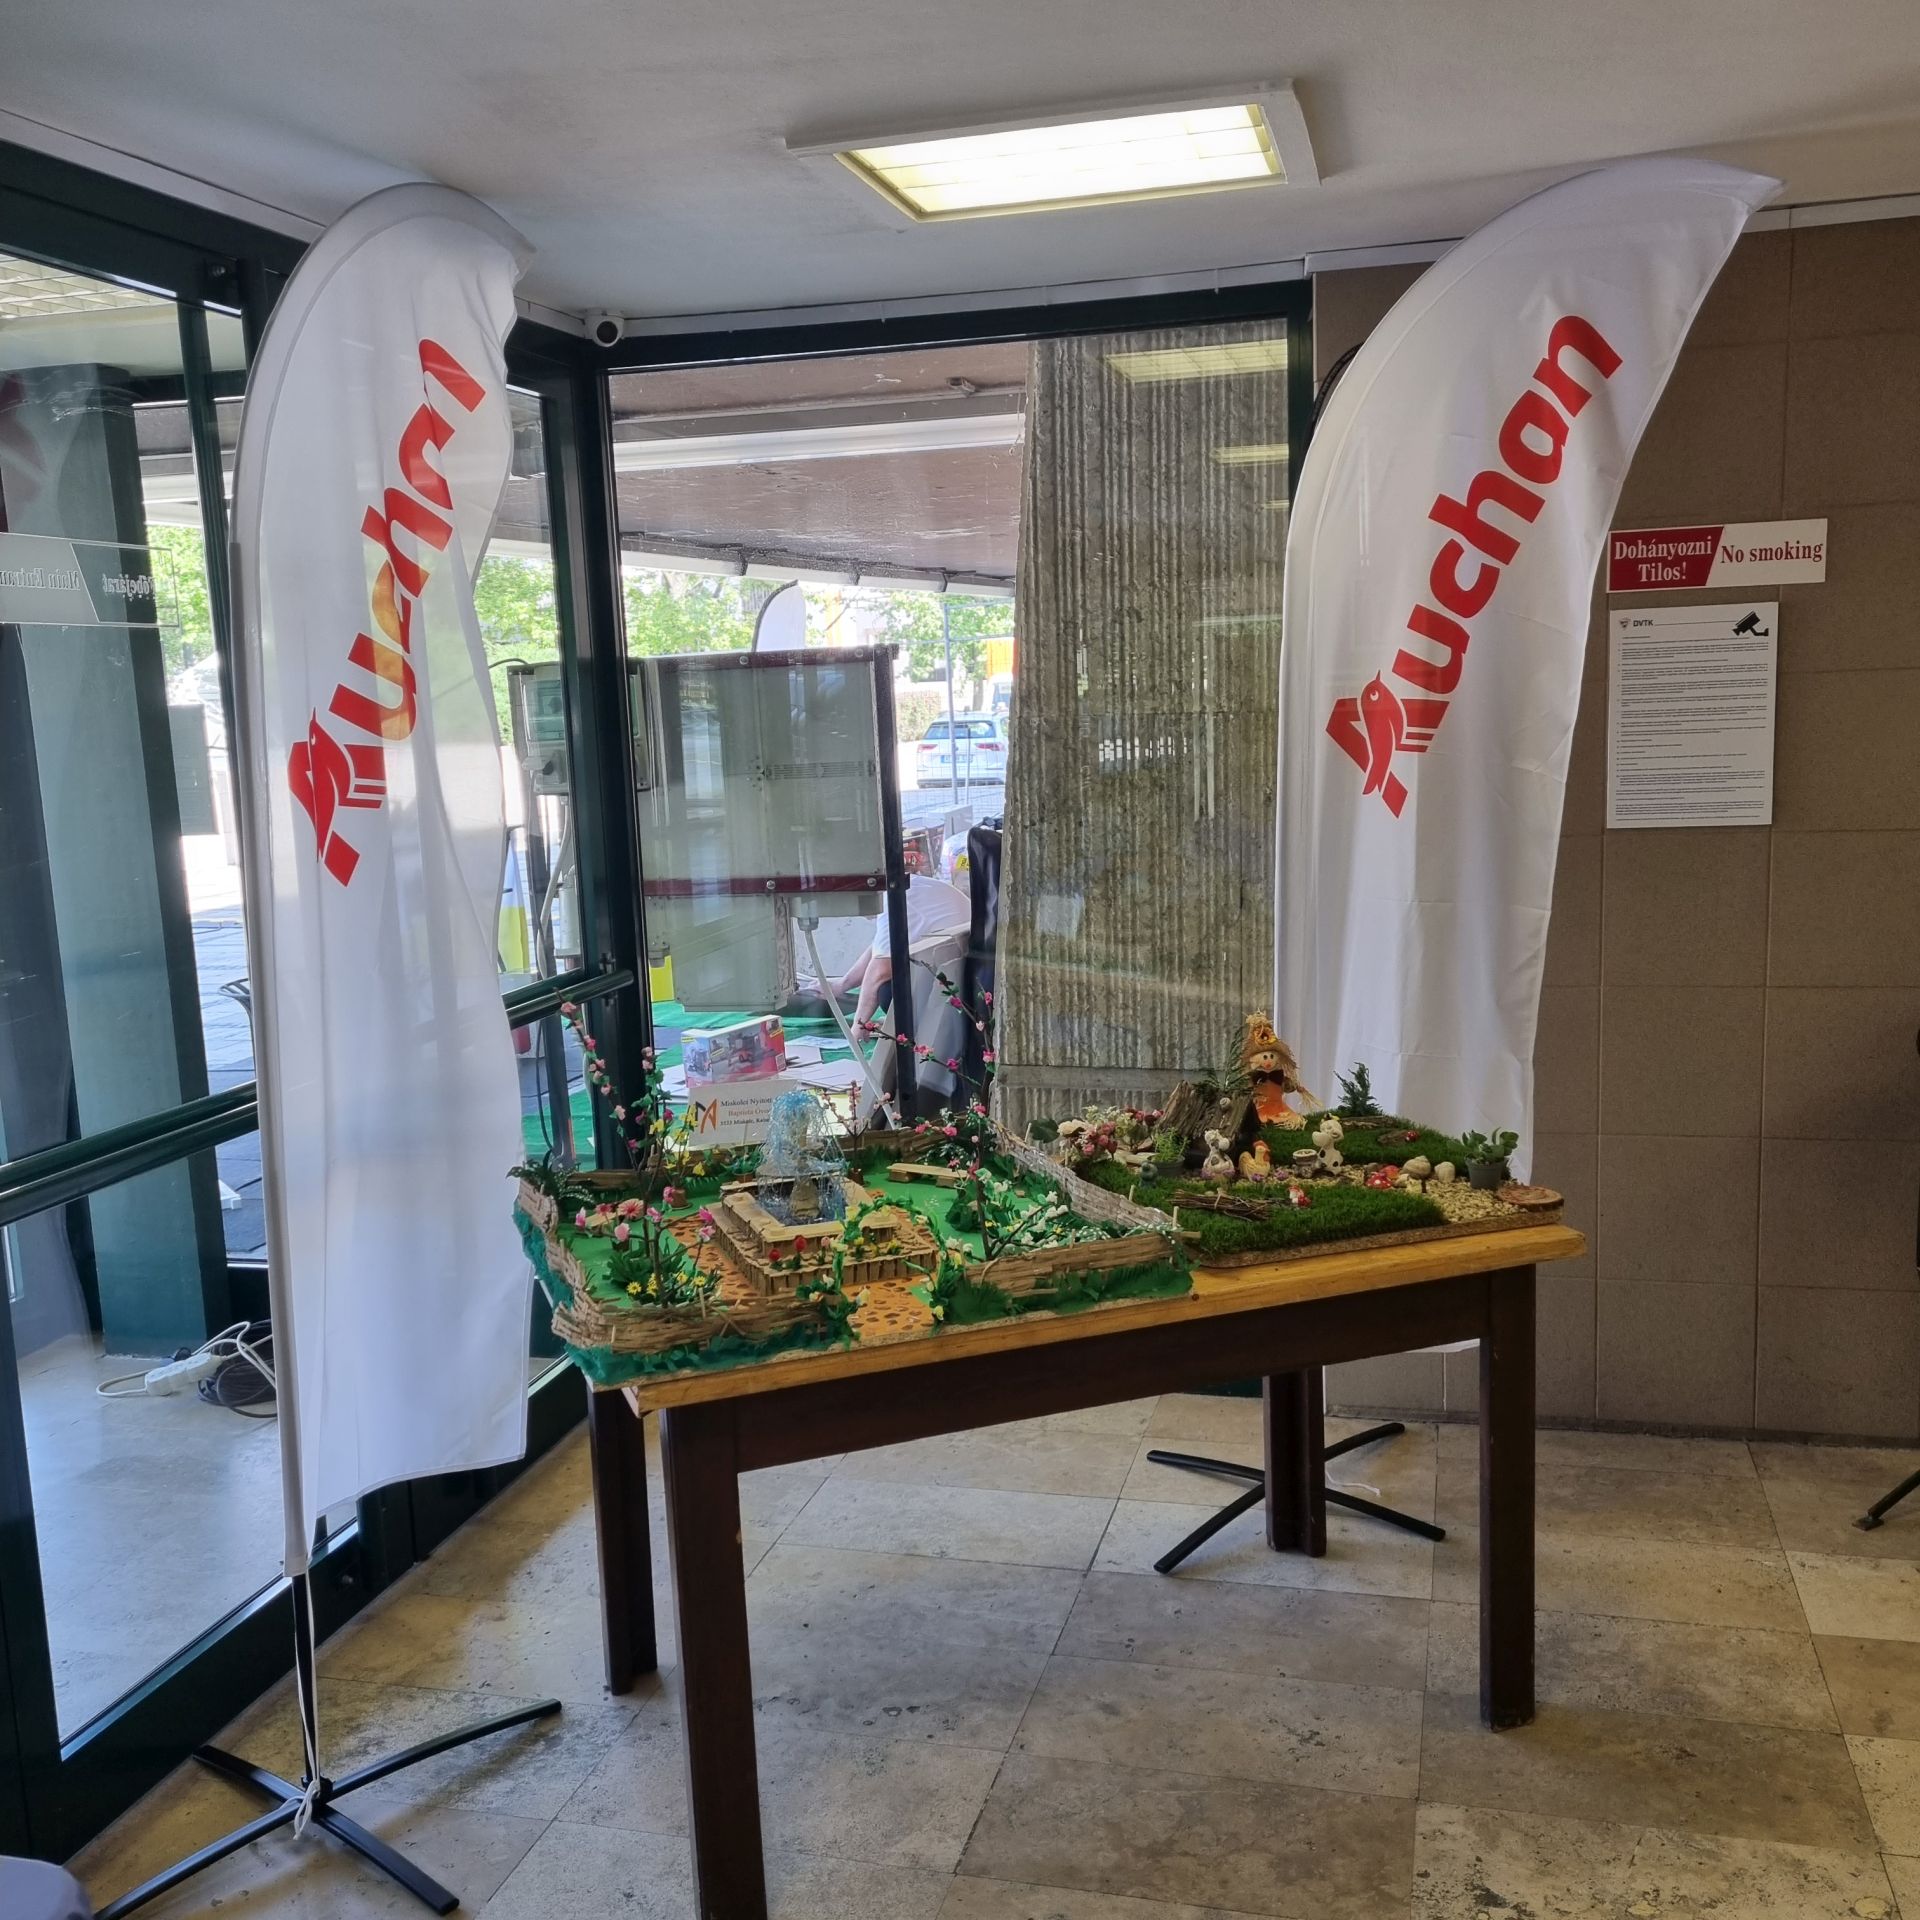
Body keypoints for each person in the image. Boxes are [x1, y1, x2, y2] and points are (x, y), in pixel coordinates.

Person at [836, 873, 971, 1034]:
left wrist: (858, 1027)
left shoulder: (894, 899)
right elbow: (881, 948)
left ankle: (909, 1028)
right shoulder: (906, 888)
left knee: (887, 991)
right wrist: (843, 984)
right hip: (955, 972)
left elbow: (880, 970)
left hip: (952, 986)